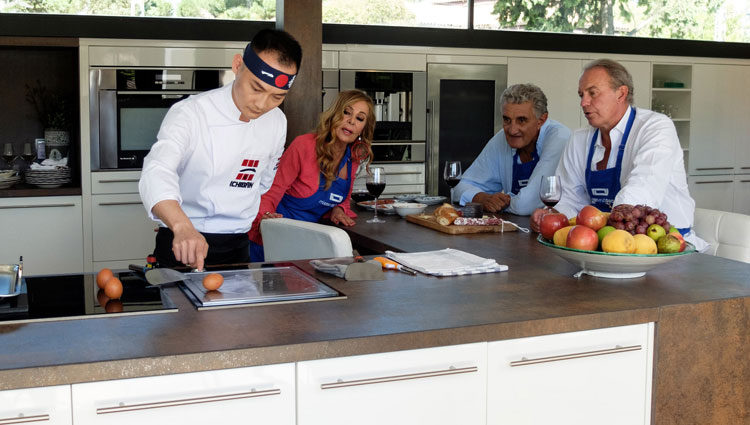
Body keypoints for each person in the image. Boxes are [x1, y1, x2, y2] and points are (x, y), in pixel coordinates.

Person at [139, 29, 302, 271]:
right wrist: (182, 226)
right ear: (238, 65)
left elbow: (264, 181)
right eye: (256, 88)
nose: (261, 104)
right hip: (184, 241)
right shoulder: (191, 113)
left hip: (237, 245)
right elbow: (156, 171)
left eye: (276, 97)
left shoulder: (277, 122)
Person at [529, 59, 704, 248]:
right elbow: (570, 198)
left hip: (667, 248)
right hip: (606, 245)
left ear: (621, 93)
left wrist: (598, 224)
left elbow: (641, 192)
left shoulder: (655, 127)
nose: (584, 102)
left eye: (592, 93)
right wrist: (554, 216)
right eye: (581, 95)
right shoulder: (579, 139)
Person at [247, 90, 375, 261]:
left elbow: (344, 198)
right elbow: (272, 190)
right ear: (335, 114)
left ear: (363, 129)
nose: (351, 121)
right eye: (346, 112)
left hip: (309, 245)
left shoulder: (353, 158)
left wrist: (338, 209)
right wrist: (264, 219)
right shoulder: (304, 145)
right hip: (273, 241)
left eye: (360, 118)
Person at [453, 83, 571, 215]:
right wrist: (482, 198)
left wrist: (502, 203)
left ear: (541, 120)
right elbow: (459, 188)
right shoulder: (502, 138)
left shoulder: (559, 138)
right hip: (515, 230)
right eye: (507, 120)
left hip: (555, 231)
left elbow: (527, 204)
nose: (512, 130)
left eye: (521, 120)